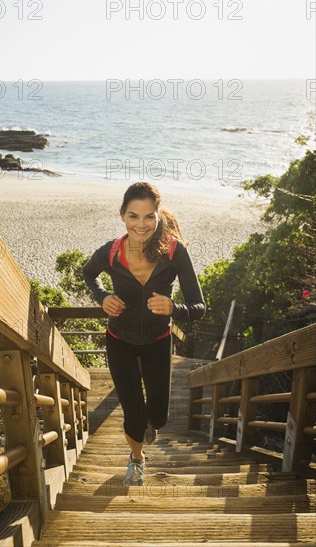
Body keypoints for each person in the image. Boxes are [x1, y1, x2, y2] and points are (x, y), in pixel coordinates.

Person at [82, 181, 206, 486]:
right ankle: (136, 458)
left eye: (149, 216)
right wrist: (102, 298)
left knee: (159, 417)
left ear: (159, 215)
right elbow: (87, 272)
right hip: (119, 341)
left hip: (157, 343)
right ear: (122, 215)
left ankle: (150, 425)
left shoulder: (174, 252)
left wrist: (173, 308)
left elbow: (199, 306)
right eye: (133, 216)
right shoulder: (111, 252)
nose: (141, 224)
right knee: (134, 414)